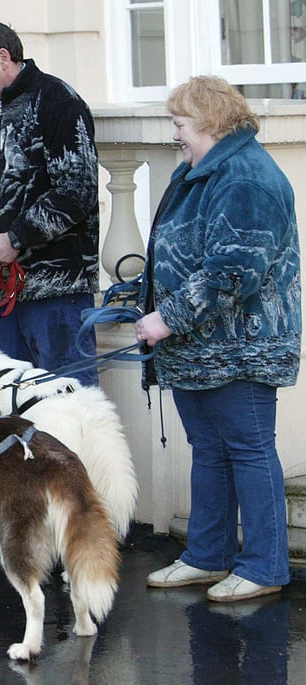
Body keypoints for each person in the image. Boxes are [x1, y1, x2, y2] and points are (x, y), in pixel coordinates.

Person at [138, 76, 300, 602]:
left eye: (180, 125)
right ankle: (208, 556)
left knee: (250, 452)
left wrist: (167, 318)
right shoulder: (201, 169)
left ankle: (264, 566)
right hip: (199, 348)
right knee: (209, 451)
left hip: (240, 348)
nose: (176, 135)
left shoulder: (246, 178)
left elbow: (234, 272)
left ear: (208, 122)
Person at [0, 17, 101, 387]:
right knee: (5, 406)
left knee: (70, 404)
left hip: (58, 291)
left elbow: (77, 189)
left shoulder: (57, 101)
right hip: (1, 296)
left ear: (2, 57)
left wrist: (16, 239)